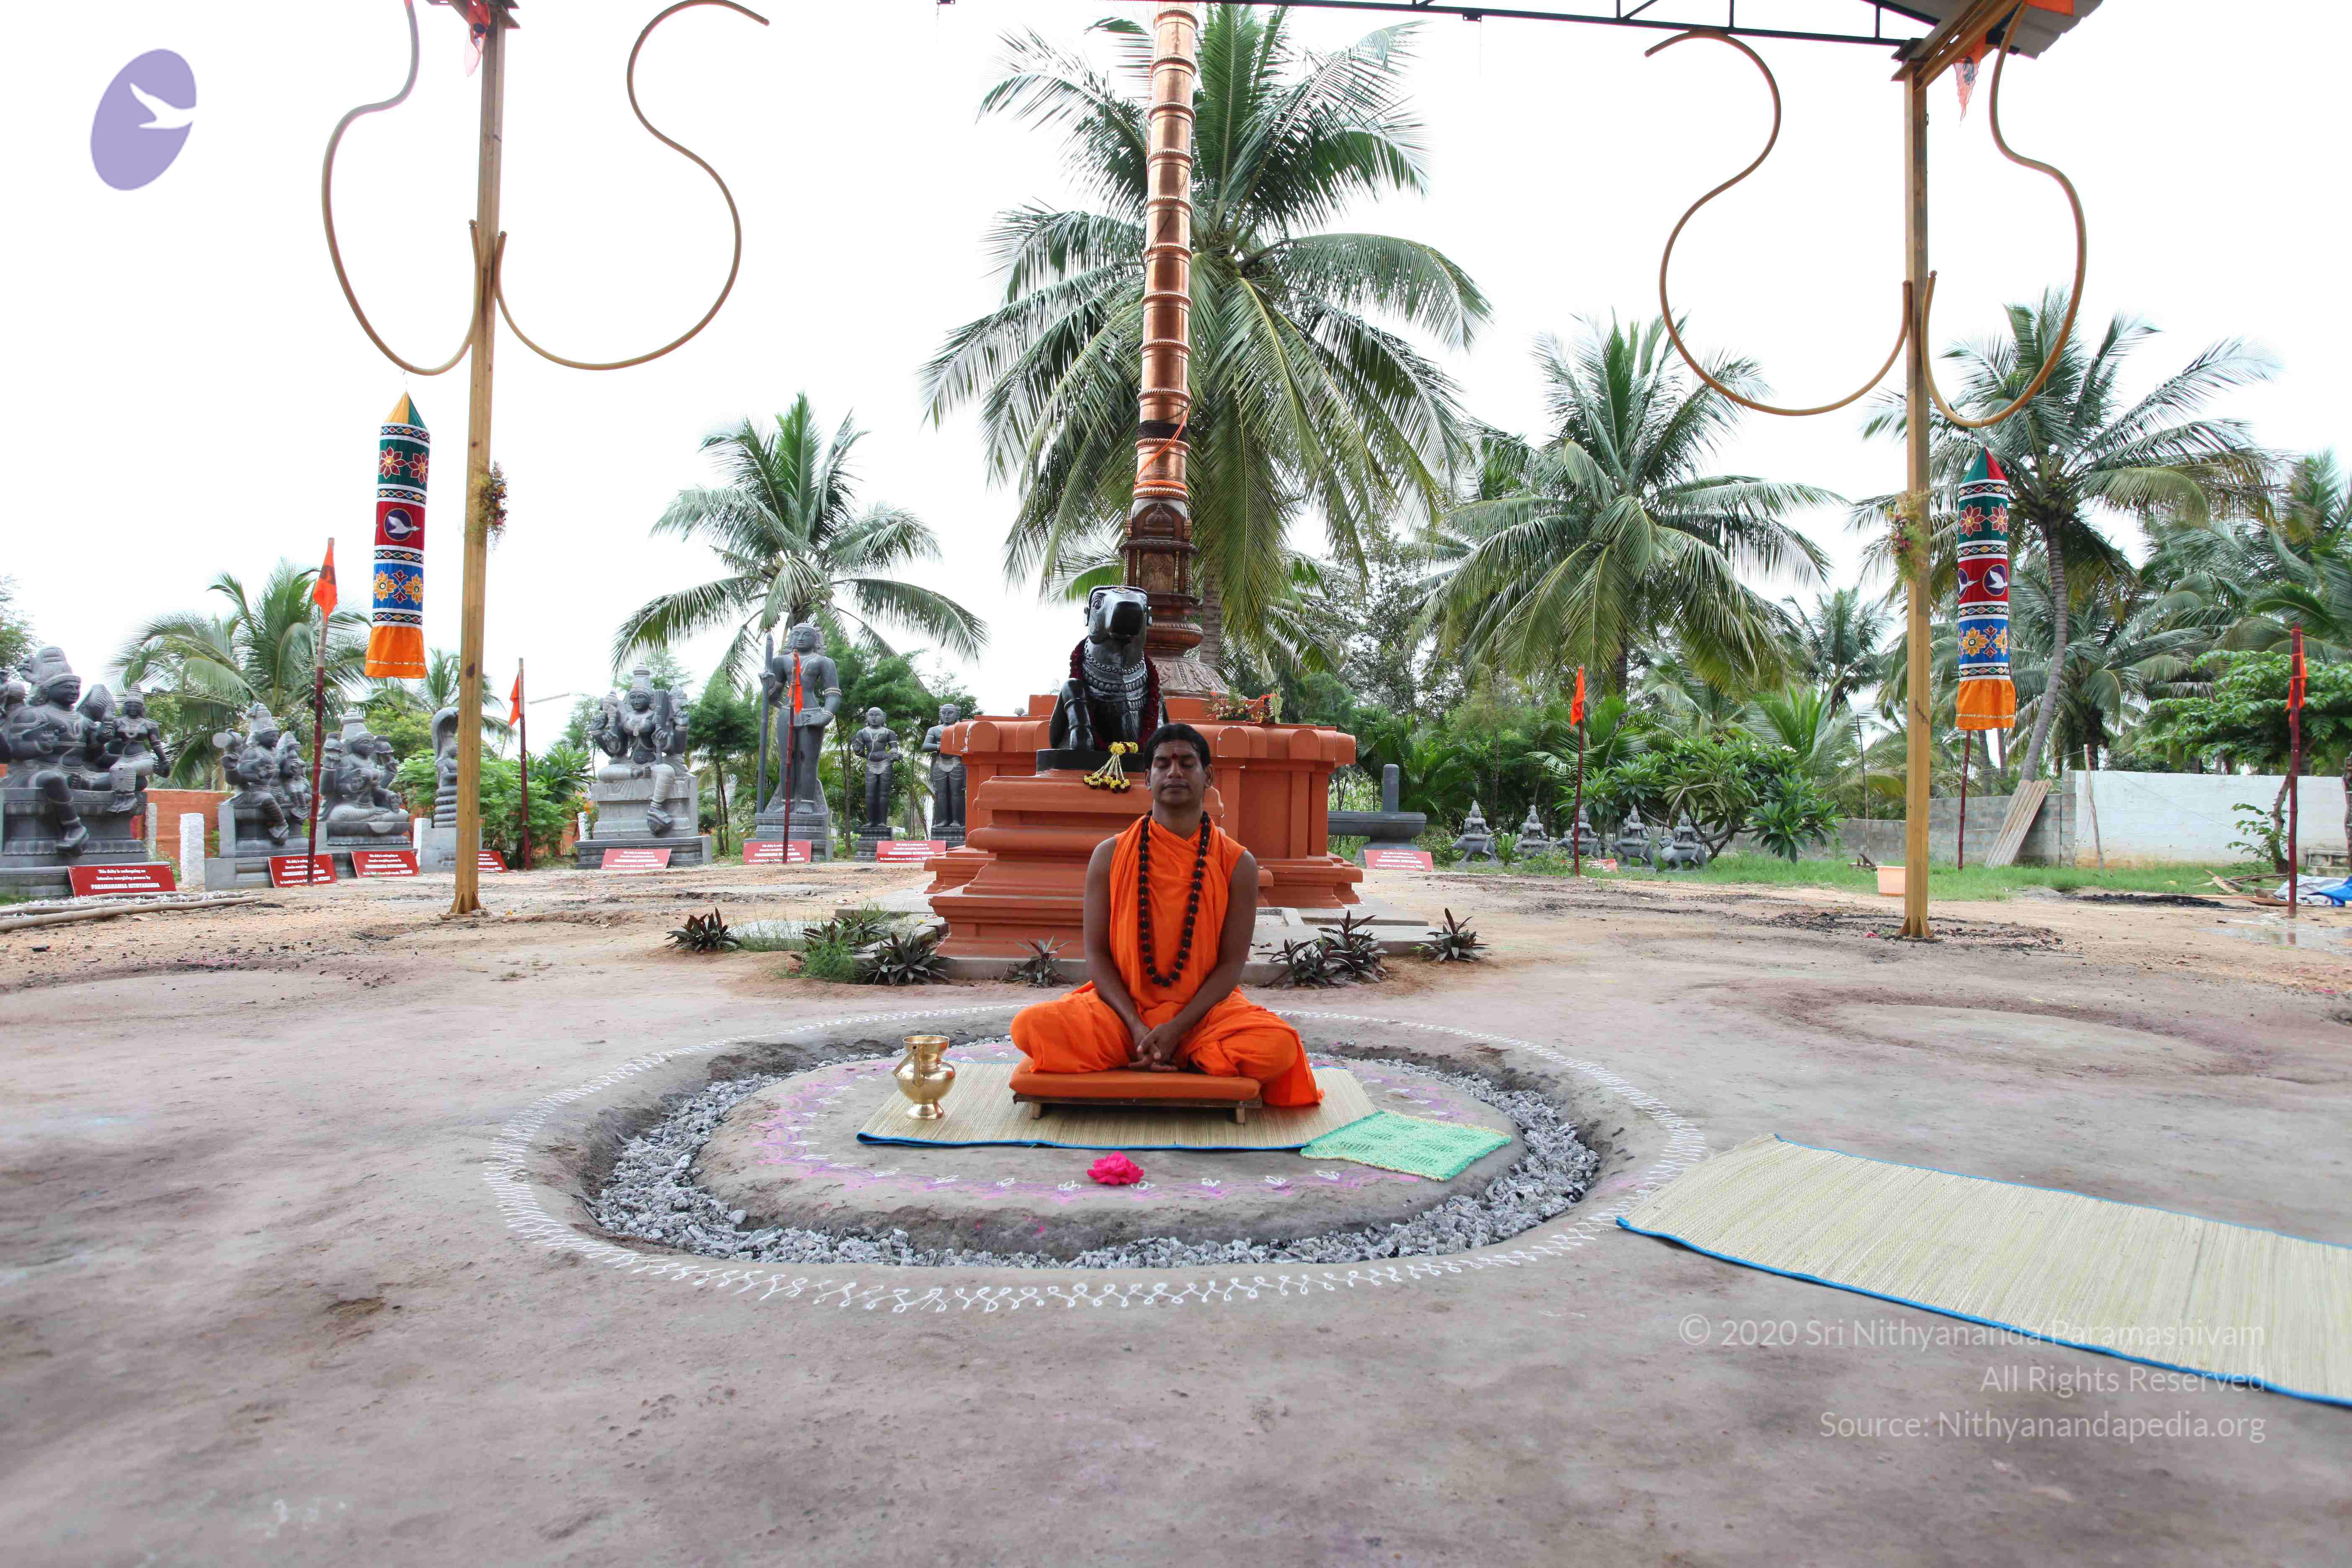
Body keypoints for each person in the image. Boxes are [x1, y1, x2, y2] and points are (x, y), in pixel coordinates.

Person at [1009, 722, 1319, 1106]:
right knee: (1030, 1027)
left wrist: (1178, 1028)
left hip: (1203, 1017)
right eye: (1162, 764)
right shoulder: (1110, 855)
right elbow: (1098, 954)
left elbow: (1231, 965)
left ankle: (1164, 1049)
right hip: (1121, 1015)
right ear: (1147, 777)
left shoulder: (1238, 863)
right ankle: (1166, 1051)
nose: (1174, 772)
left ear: (1208, 776)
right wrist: (1136, 1024)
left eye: (1187, 763)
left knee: (1277, 1047)